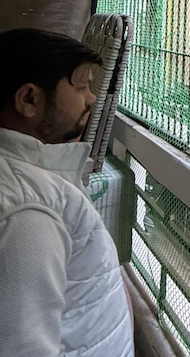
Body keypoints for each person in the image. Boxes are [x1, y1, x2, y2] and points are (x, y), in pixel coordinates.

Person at [0, 28, 134, 357]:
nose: (91, 98)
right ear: (29, 100)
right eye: (81, 86)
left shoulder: (28, 178)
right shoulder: (27, 213)